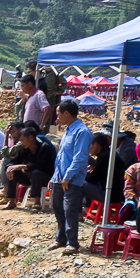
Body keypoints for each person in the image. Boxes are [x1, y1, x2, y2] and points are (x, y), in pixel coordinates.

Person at [48, 100, 91, 255]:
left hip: (72, 179)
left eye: (58, 113)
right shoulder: (68, 131)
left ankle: (72, 243)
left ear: (66, 113)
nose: (57, 117)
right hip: (60, 177)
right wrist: (55, 176)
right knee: (57, 206)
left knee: (69, 209)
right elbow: (61, 156)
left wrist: (67, 177)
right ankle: (61, 238)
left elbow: (80, 158)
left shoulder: (82, 131)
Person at [4, 126, 55, 211]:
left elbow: (40, 166)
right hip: (30, 178)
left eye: (23, 140)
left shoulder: (44, 147)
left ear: (31, 138)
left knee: (36, 173)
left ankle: (37, 202)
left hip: (45, 178)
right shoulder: (24, 149)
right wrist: (9, 167)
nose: (21, 143)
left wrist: (21, 166)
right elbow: (15, 161)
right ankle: (11, 201)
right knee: (11, 171)